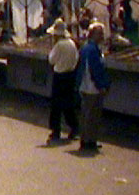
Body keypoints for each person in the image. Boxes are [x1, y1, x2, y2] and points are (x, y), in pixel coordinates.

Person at [75, 22, 110, 152]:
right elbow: (94, 70)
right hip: (92, 87)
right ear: (93, 34)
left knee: (86, 115)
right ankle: (89, 141)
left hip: (85, 86)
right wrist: (101, 85)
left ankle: (87, 139)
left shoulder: (86, 48)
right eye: (99, 33)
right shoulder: (93, 50)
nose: (102, 36)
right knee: (92, 116)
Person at [46, 18, 79, 144]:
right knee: (69, 104)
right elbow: (76, 59)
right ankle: (74, 127)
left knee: (56, 105)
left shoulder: (59, 45)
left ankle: (56, 129)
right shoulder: (72, 44)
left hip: (59, 76)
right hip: (70, 75)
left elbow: (52, 60)